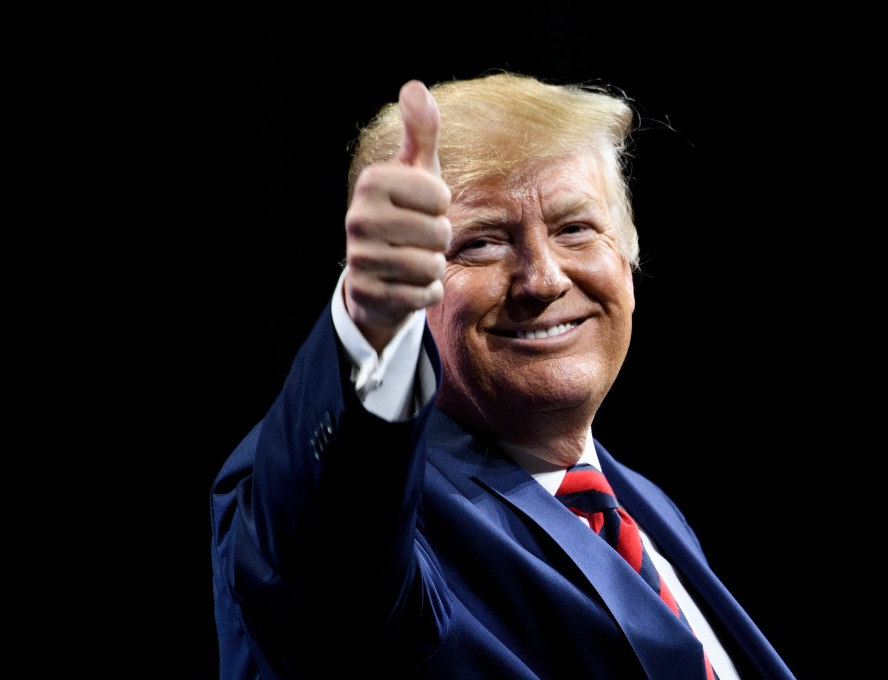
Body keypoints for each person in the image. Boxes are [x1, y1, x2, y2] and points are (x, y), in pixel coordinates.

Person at [210, 71, 795, 679]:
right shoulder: (370, 512)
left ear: (627, 257)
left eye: (575, 229)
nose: (542, 279)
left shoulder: (649, 510)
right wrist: (371, 329)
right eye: (482, 244)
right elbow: (318, 568)